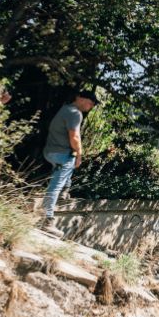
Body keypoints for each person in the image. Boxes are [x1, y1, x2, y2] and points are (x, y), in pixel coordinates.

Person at [39, 90, 100, 237]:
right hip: (62, 154)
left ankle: (64, 192)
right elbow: (75, 137)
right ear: (79, 98)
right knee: (56, 185)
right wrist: (79, 154)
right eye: (90, 103)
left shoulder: (64, 109)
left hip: (50, 152)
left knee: (63, 177)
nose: (90, 107)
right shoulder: (75, 113)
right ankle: (47, 221)